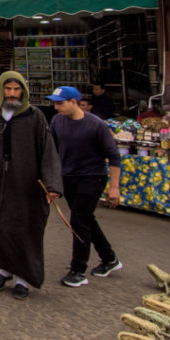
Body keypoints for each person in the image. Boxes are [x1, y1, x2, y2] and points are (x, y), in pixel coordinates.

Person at [0, 70, 62, 300]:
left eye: (16, 89)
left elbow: (47, 151)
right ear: (1, 90)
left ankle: (23, 279)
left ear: (23, 90)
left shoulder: (35, 117)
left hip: (26, 185)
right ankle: (4, 270)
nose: (12, 94)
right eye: (8, 89)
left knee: (25, 230)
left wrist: (52, 184)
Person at [46, 86, 122, 288]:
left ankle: (78, 269)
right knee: (86, 219)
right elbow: (51, 149)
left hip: (92, 178)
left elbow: (114, 157)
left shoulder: (96, 125)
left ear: (74, 102)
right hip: (68, 177)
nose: (56, 107)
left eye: (60, 103)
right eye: (55, 103)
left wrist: (114, 187)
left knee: (79, 220)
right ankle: (109, 258)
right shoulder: (57, 121)